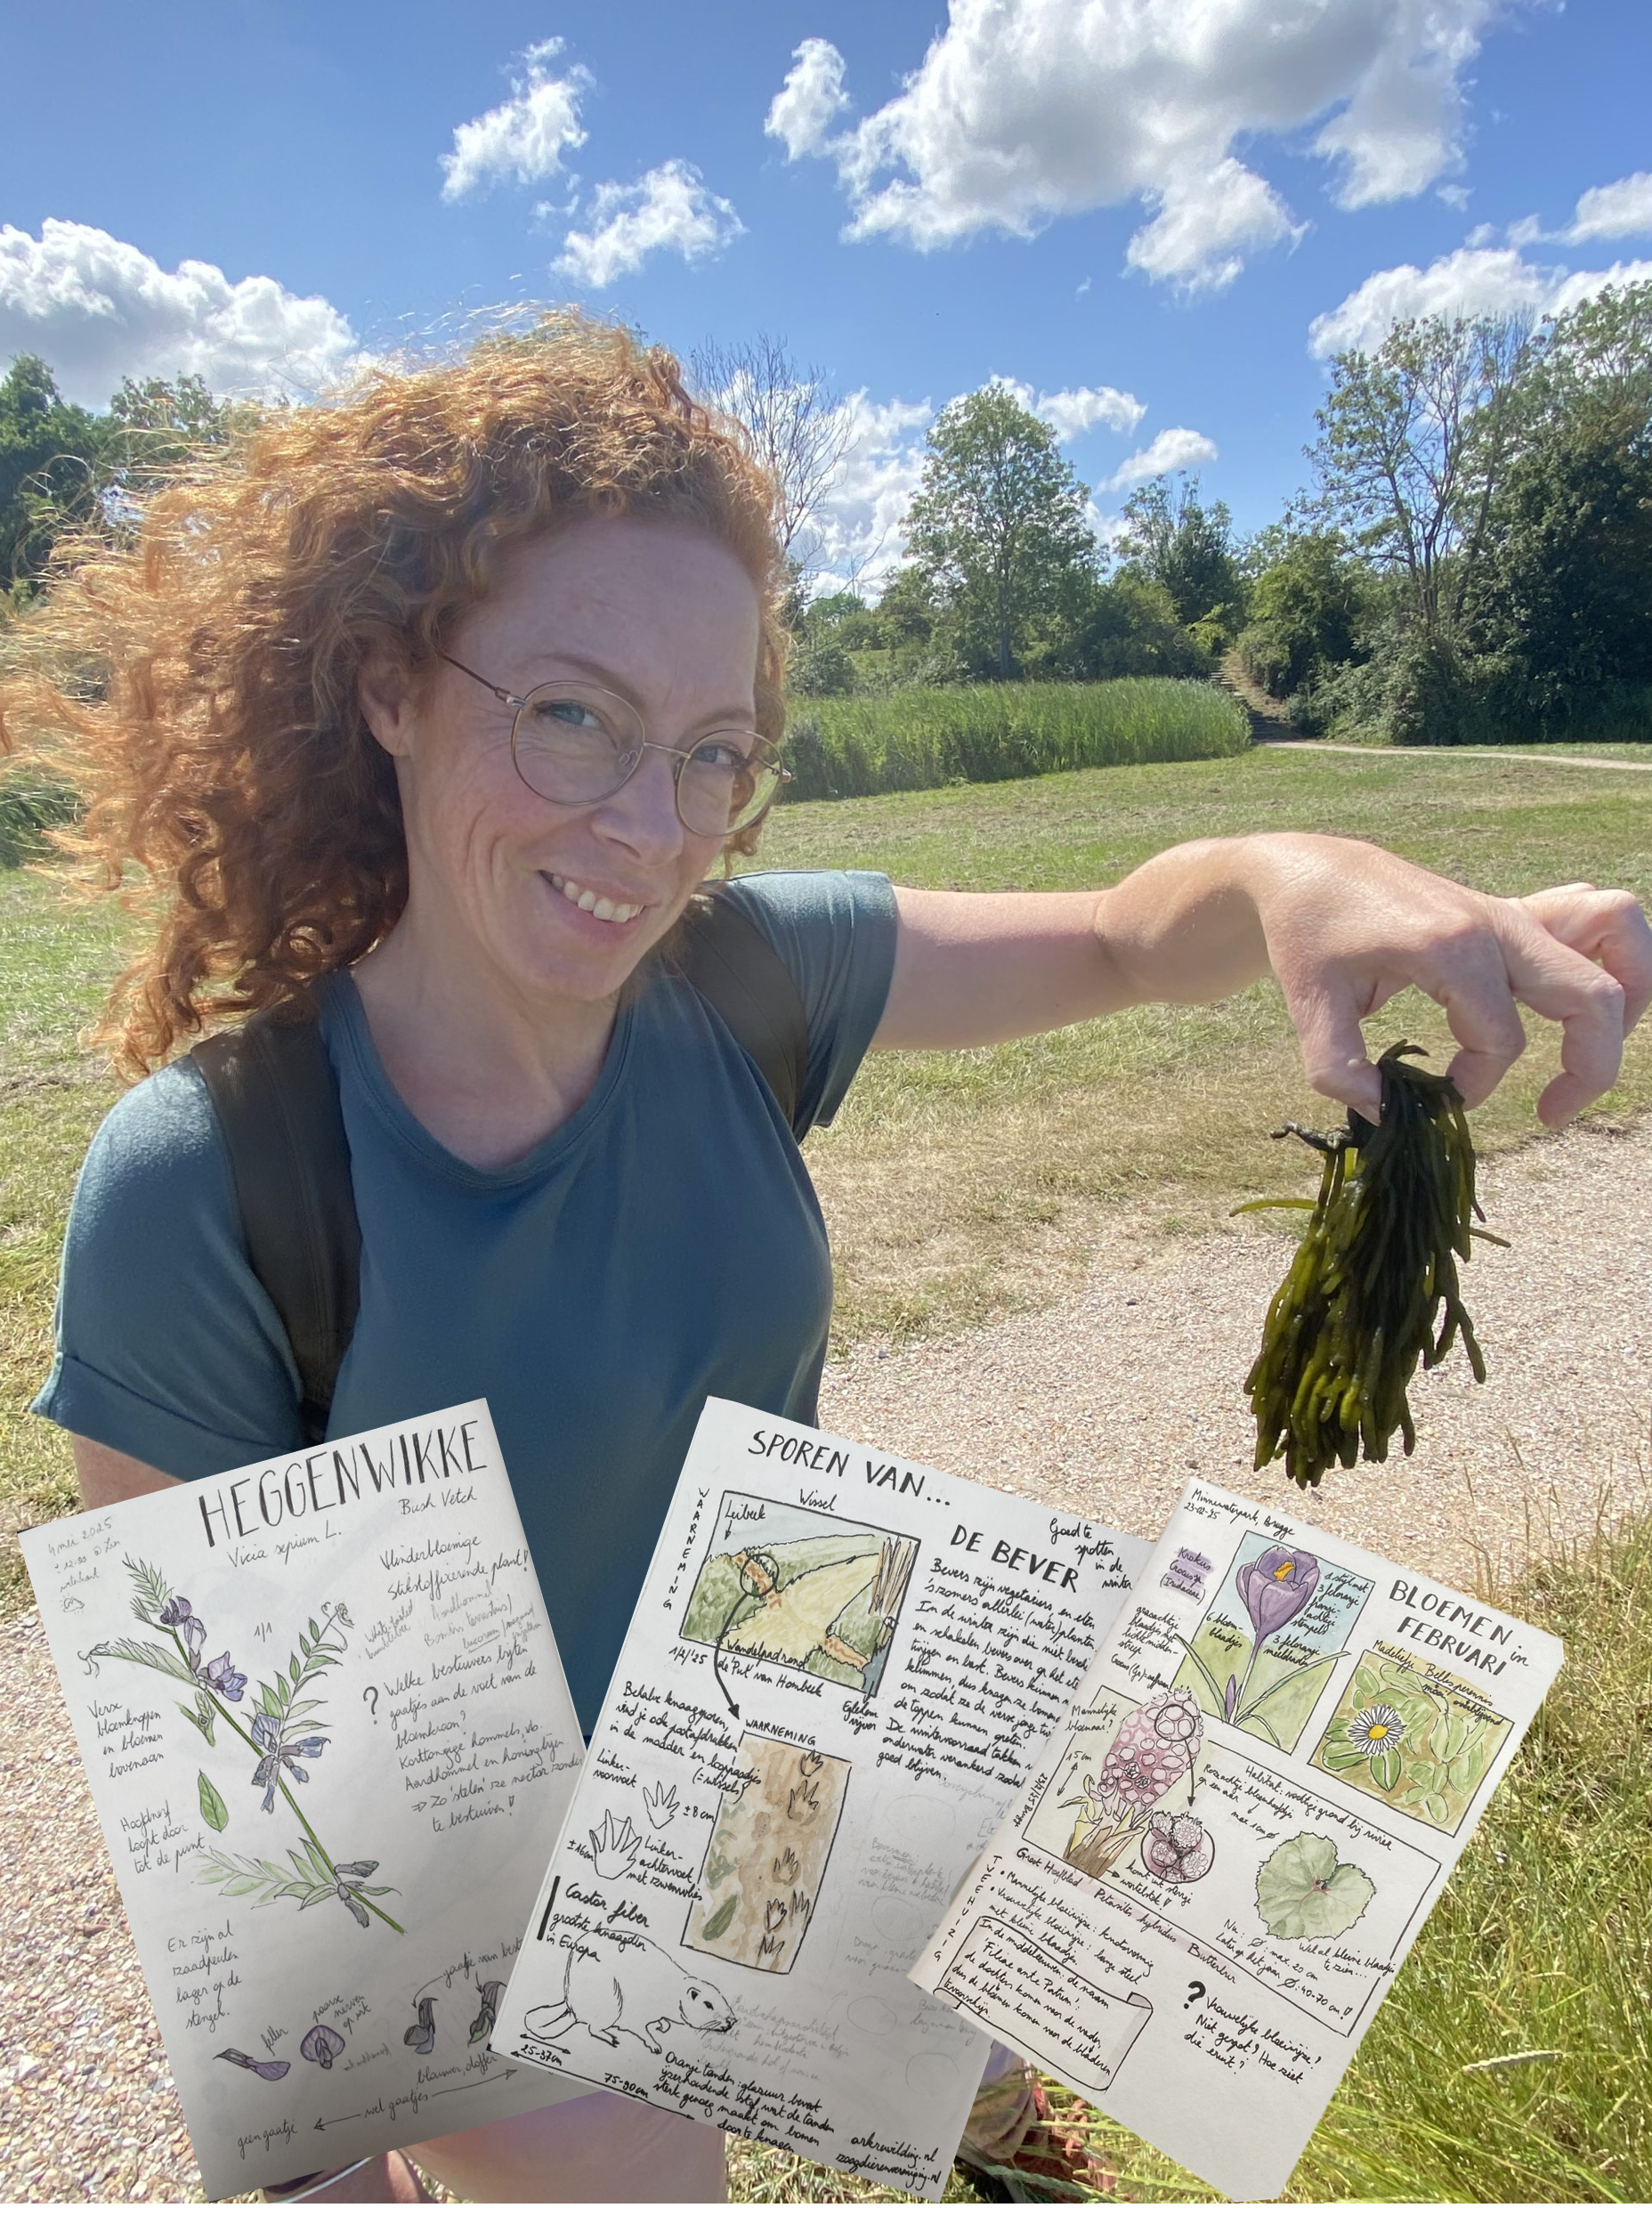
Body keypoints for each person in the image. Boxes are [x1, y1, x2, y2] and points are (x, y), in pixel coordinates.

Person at [5, 316, 1647, 2204]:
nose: (651, 833)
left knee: (1064, 1951)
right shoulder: (215, 1187)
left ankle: (986, 2121)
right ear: (389, 683)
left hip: (777, 1742)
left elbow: (1123, 940)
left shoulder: (741, 979)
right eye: (572, 715)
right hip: (469, 1891)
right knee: (641, 2168)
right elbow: (281, 1889)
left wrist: (1324, 875)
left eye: (712, 753)